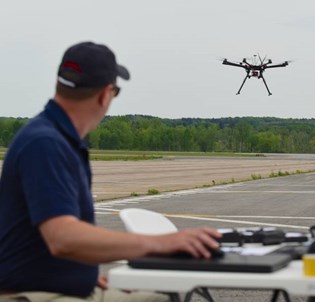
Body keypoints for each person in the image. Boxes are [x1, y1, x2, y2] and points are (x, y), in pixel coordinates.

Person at [0, 42, 221, 301]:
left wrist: (84, 276)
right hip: (31, 295)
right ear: (105, 94)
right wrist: (161, 243)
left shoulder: (53, 137)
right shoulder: (46, 143)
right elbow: (63, 238)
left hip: (57, 288)